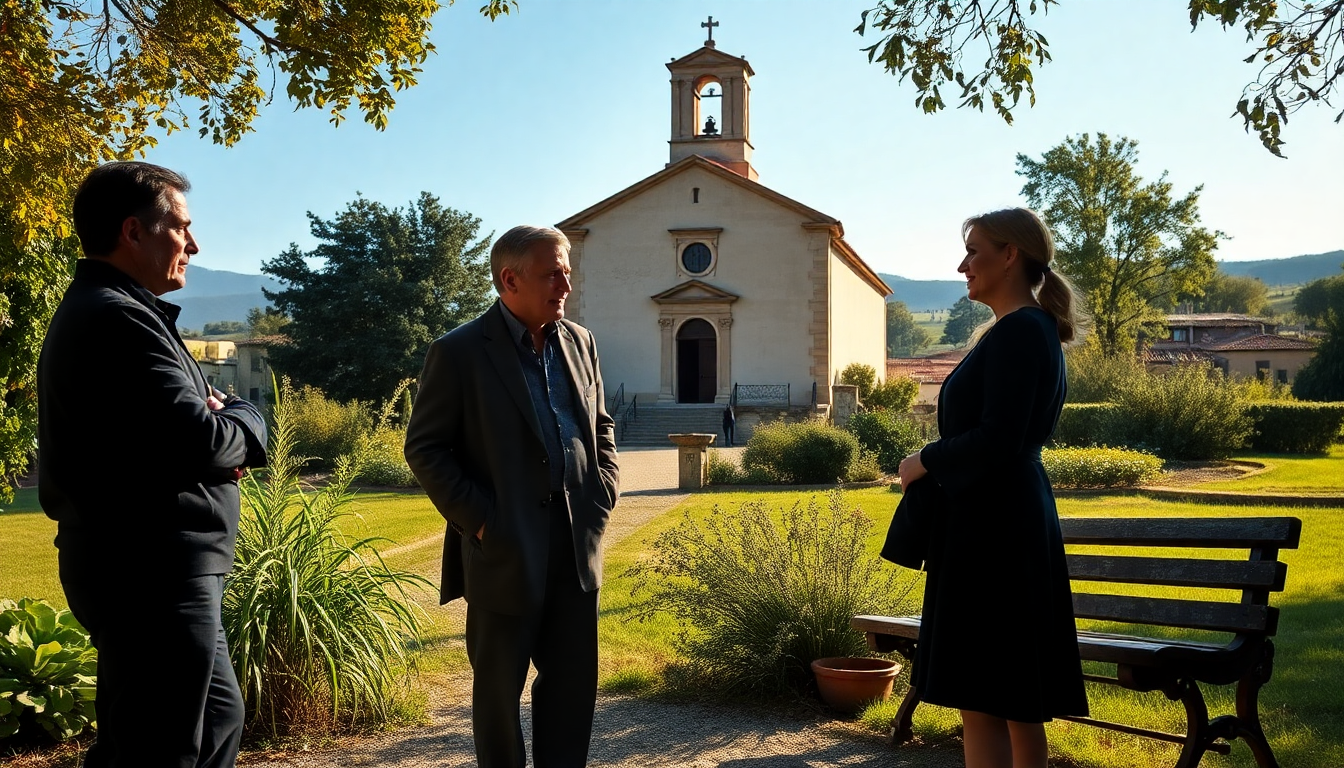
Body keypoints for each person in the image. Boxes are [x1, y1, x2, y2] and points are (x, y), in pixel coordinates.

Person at [38, 161, 267, 768]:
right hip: (150, 570)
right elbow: (204, 440)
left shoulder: (123, 311)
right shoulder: (116, 318)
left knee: (210, 720)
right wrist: (246, 418)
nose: (194, 245)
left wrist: (222, 435)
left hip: (158, 566)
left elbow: (190, 442)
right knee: (161, 744)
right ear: (132, 231)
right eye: (181, 228)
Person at [404, 225, 620, 768]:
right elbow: (426, 449)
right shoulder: (458, 352)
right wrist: (482, 522)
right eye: (553, 272)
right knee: (498, 697)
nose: (566, 284)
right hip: (503, 547)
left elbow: (601, 425)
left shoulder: (581, 341)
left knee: (573, 687)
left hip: (575, 543)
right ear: (510, 279)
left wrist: (601, 494)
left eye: (567, 270)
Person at [895, 207, 1088, 768]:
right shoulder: (1026, 329)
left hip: (994, 530)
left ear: (1011, 255)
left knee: (987, 699)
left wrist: (924, 459)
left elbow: (999, 437)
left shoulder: (1021, 331)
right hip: (1002, 520)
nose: (963, 265)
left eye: (974, 251)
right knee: (1007, 701)